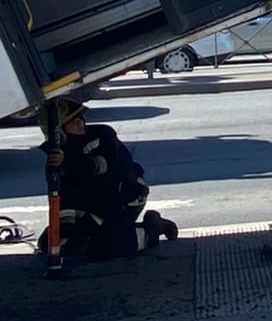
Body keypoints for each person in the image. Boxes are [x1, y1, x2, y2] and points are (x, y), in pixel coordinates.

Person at [40, 99, 177, 260]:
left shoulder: (103, 135)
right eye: (73, 122)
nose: (81, 123)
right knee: (49, 243)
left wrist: (68, 161)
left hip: (123, 199)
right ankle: (102, 232)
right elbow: (63, 194)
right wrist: (63, 230)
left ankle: (152, 228)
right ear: (58, 132)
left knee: (108, 247)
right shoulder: (57, 157)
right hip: (90, 205)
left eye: (81, 118)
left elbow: (102, 167)